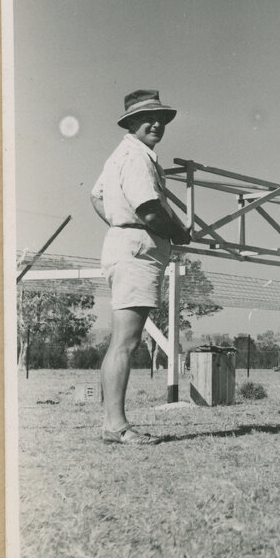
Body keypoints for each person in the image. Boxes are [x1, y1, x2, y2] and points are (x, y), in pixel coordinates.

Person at [90, 90, 190, 444]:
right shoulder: (136, 157)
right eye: (149, 117)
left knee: (123, 341)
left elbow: (97, 196)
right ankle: (115, 425)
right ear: (131, 123)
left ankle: (112, 422)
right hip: (136, 251)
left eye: (162, 118)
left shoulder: (120, 155)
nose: (157, 124)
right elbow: (149, 211)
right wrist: (179, 232)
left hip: (125, 245)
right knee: (126, 342)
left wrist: (118, 223)